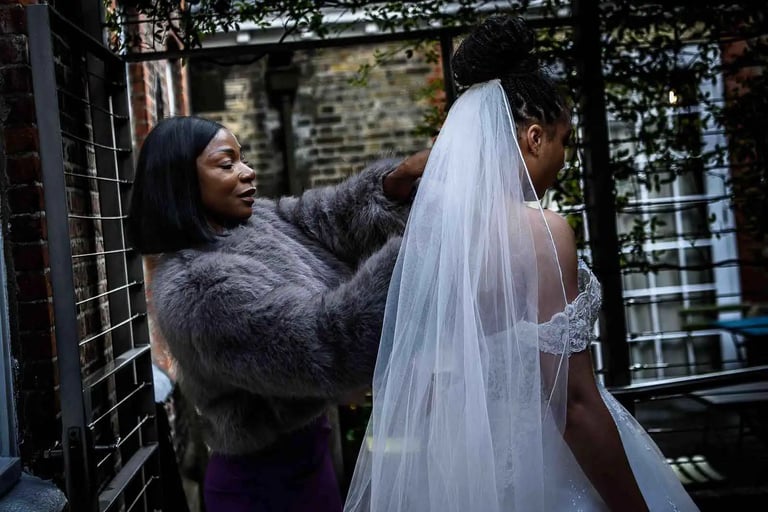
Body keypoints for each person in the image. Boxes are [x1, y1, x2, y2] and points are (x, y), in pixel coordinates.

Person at [344, 15, 699, 512]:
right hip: (545, 464)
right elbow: (572, 403)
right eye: (564, 140)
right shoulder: (543, 232)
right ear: (534, 137)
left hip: (459, 466)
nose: (565, 156)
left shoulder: (435, 236)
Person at [128, 115, 429, 512]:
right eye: (226, 163)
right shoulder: (198, 290)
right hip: (262, 487)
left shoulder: (255, 222)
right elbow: (326, 345)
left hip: (312, 461)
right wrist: (420, 250)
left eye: (243, 159)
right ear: (182, 181)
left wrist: (394, 184)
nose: (247, 171)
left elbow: (329, 217)